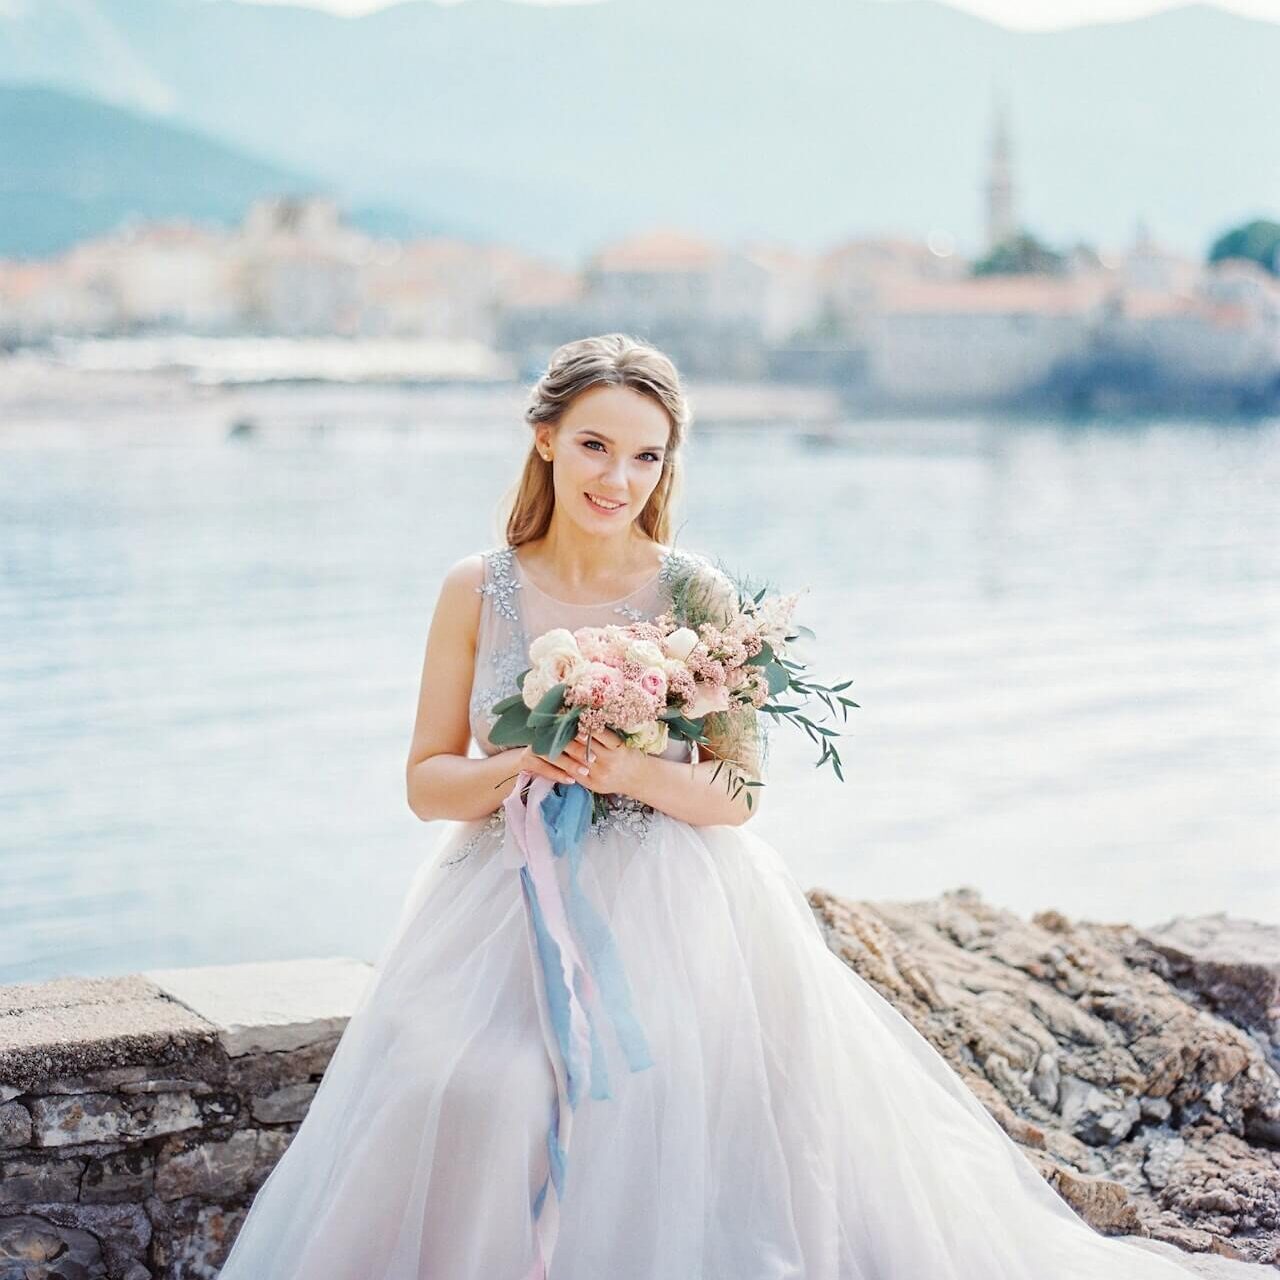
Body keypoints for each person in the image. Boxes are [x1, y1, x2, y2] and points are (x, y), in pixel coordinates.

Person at [217, 334, 1200, 1279]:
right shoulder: (478, 589)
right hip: (500, 893)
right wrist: (523, 761)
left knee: (661, 1099)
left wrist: (625, 771)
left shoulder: (696, 591)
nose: (618, 478)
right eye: (595, 445)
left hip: (674, 899)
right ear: (545, 436)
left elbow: (736, 794)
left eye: (646, 455)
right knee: (464, 1083)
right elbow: (425, 777)